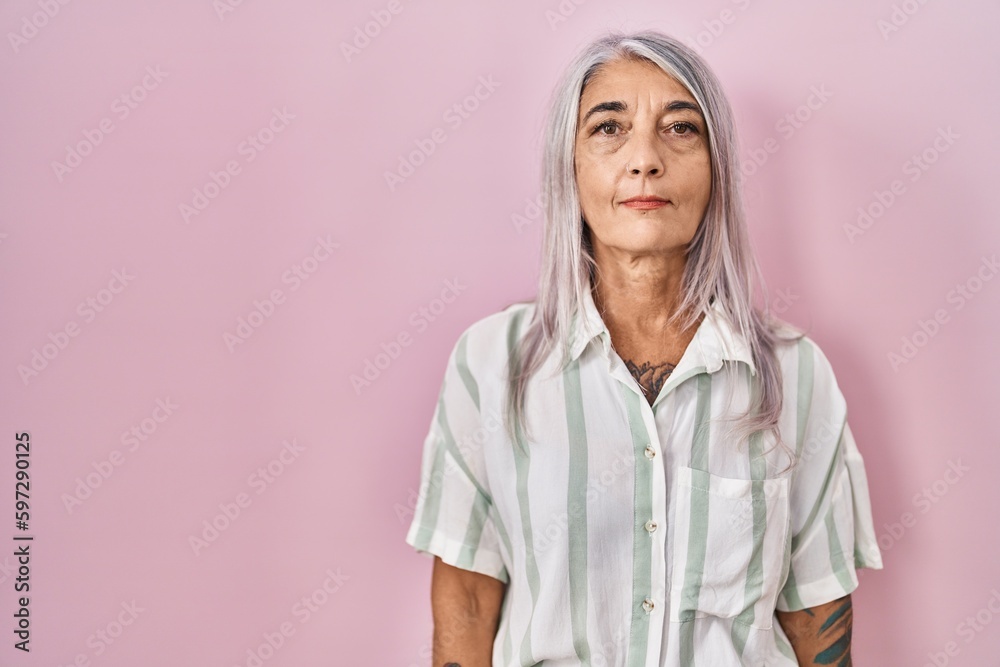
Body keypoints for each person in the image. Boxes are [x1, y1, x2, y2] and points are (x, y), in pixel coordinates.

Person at [405, 29, 883, 666]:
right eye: (609, 127)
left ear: (716, 168)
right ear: (569, 165)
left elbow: (817, 621)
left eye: (680, 127)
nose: (645, 158)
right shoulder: (490, 365)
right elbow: (465, 603)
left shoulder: (796, 377)